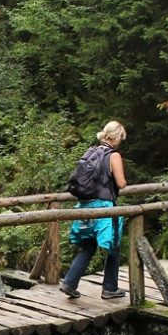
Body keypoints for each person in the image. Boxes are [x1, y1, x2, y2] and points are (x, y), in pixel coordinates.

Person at [60, 120, 128, 301]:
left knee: (89, 246)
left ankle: (70, 282)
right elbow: (121, 183)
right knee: (114, 244)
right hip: (104, 209)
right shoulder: (114, 156)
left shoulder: (91, 152)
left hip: (85, 205)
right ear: (117, 137)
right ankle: (110, 288)